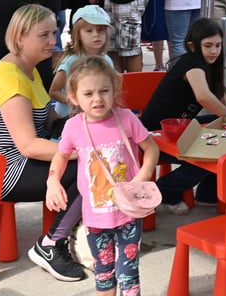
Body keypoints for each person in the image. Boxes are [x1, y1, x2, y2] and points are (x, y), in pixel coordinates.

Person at [0, 4, 85, 282]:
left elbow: (49, 122)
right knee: (88, 169)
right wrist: (81, 148)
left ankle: (76, 232)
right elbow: (29, 146)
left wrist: (89, 124)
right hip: (3, 171)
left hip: (20, 159)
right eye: (44, 35)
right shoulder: (11, 79)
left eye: (54, 32)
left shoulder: (30, 70)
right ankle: (51, 245)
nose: (53, 41)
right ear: (21, 37)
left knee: (97, 154)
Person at [46, 56, 159, 296]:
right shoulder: (73, 127)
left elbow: (152, 148)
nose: (97, 99)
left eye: (104, 91)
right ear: (74, 97)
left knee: (129, 274)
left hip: (128, 212)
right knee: (104, 273)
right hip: (95, 218)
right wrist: (52, 181)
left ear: (114, 90)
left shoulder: (127, 118)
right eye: (88, 94)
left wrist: (143, 175)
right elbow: (61, 155)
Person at [140, 18, 226, 214]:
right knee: (211, 152)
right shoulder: (191, 62)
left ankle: (207, 195)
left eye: (218, 45)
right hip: (155, 134)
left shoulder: (209, 64)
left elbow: (222, 101)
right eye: (208, 46)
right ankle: (166, 190)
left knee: (222, 136)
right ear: (192, 45)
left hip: (179, 128)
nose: (214, 50)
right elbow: (204, 97)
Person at [49, 5, 114, 118]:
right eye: (89, 31)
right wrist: (79, 102)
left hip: (97, 116)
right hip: (69, 117)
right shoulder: (71, 60)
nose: (96, 34)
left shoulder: (107, 60)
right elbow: (54, 91)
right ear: (77, 35)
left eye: (101, 30)